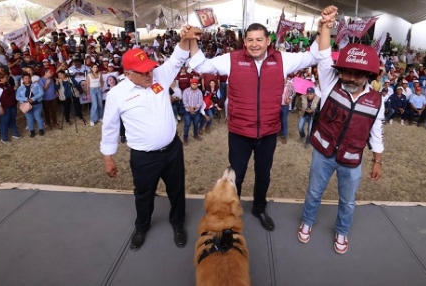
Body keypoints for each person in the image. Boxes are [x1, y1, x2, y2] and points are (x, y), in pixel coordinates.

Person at [188, 21, 319, 231]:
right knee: (236, 176)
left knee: (263, 174)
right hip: (240, 132)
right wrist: (191, 39)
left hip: (267, 131)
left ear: (268, 41)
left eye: (259, 39)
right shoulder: (232, 59)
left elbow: (313, 55)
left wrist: (323, 27)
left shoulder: (282, 59)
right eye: (250, 40)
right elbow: (201, 65)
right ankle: (232, 212)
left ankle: (259, 208)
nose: (254, 44)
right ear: (244, 42)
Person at [100, 25, 197, 251]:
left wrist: (185, 39)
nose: (149, 74)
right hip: (144, 157)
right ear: (127, 74)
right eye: (142, 72)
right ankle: (142, 227)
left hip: (172, 150)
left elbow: (175, 59)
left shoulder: (158, 77)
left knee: (176, 189)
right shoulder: (117, 94)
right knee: (143, 194)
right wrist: (108, 157)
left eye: (150, 69)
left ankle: (178, 224)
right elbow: (110, 126)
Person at [297, 5, 384, 254]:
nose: (351, 78)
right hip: (323, 153)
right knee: (314, 192)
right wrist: (326, 25)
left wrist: (377, 160)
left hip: (352, 159)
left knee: (347, 201)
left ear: (368, 75)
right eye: (347, 71)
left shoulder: (377, 101)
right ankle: (307, 222)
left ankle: (342, 232)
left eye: (357, 74)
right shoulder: (330, 82)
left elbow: (376, 132)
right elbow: (324, 54)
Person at [0, 71, 22, 143]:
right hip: (5, 106)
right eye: (5, 77)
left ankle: (15, 133)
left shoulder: (6, 84)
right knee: (4, 122)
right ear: (0, 79)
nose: (7, 78)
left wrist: (13, 89)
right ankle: (4, 137)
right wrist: (0, 108)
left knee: (12, 119)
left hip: (12, 105)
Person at [16, 73, 45, 137]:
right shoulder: (20, 88)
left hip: (37, 104)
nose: (27, 80)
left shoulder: (36, 85)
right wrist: (25, 99)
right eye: (25, 78)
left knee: (38, 117)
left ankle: (41, 130)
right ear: (23, 79)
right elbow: (17, 97)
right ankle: (32, 131)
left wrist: (33, 98)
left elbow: (41, 93)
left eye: (29, 78)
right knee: (29, 118)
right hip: (26, 105)